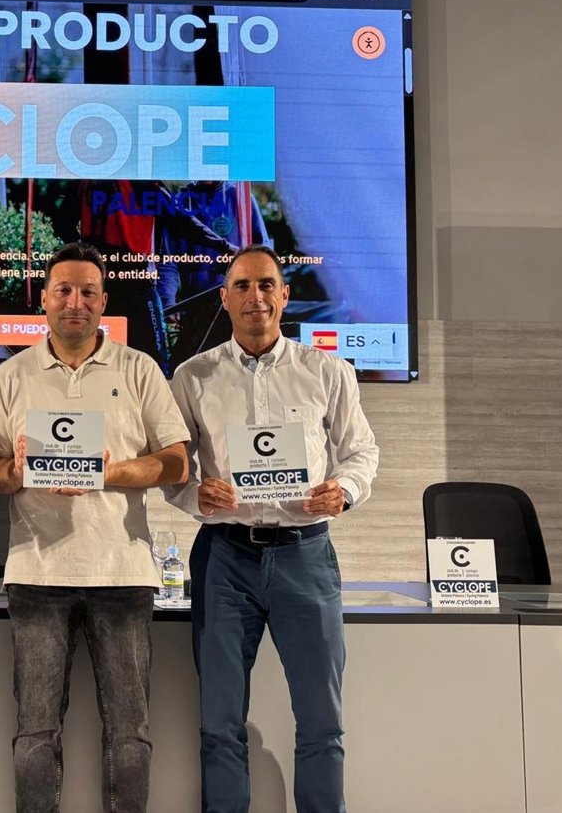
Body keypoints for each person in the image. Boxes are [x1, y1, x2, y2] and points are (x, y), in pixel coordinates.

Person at [164, 244, 379, 813]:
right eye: (242, 285)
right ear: (224, 298)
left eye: (266, 285)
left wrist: (344, 489)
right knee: (219, 722)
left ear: (284, 294)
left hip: (305, 557)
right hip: (224, 557)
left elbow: (361, 452)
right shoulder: (192, 376)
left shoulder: (327, 371)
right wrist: (192, 493)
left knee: (321, 721)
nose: (255, 296)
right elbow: (171, 465)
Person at [0, 242, 190, 813]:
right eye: (64, 291)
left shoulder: (139, 368)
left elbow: (177, 462)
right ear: (45, 299)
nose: (76, 302)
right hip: (36, 574)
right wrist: (15, 471)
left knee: (130, 734)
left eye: (88, 292)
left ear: (103, 300)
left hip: (123, 573)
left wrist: (109, 472)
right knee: (34, 733)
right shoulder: (11, 374)